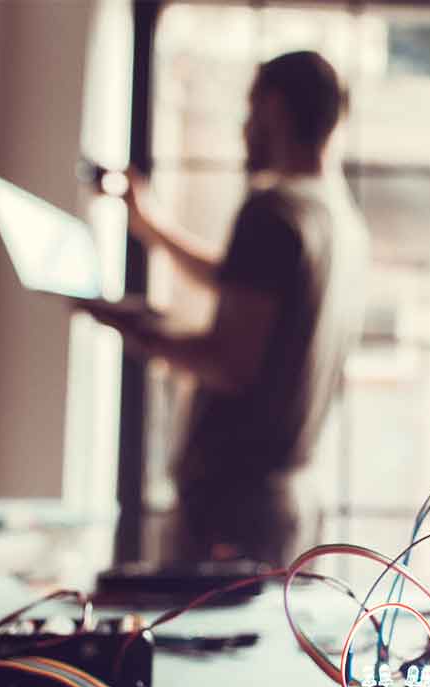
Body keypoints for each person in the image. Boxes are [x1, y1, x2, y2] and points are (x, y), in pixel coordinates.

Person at [84, 51, 368, 566]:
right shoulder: (336, 219)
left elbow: (228, 364)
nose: (244, 128)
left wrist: (127, 320)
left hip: (235, 507)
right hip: (290, 500)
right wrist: (151, 228)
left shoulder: (272, 211)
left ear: (275, 109)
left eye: (249, 110)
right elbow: (240, 279)